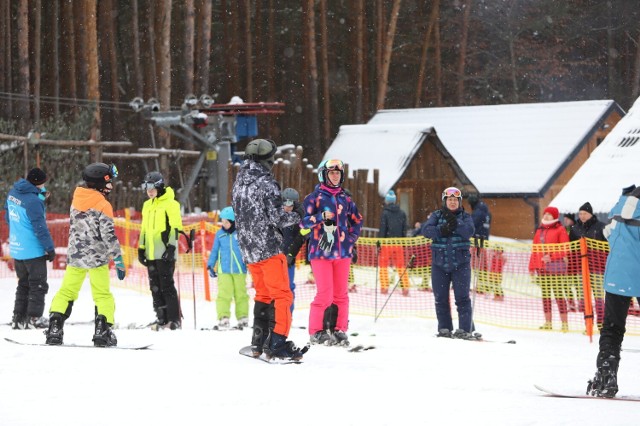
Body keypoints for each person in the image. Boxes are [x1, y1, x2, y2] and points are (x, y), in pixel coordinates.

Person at [232, 138, 307, 360]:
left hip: (248, 248)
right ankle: (277, 342)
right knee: (283, 295)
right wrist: (298, 215)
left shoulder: (239, 183)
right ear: (268, 159)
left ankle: (258, 341)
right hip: (268, 248)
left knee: (263, 293)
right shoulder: (266, 183)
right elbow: (277, 217)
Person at [45, 163, 125, 346]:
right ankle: (102, 331)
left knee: (67, 291)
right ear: (99, 184)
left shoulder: (77, 199)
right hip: (97, 259)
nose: (111, 187)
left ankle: (55, 327)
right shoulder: (103, 205)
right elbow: (108, 235)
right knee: (102, 294)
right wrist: (118, 258)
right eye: (108, 183)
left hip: (75, 257)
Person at [302, 159, 363, 346]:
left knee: (341, 294)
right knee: (325, 294)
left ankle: (339, 329)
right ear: (324, 175)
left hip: (342, 254)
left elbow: (357, 221)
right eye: (332, 173)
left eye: (338, 173)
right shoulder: (313, 198)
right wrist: (320, 217)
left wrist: (350, 240)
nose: (335, 176)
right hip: (321, 253)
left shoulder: (346, 199)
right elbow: (303, 223)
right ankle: (316, 331)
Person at [587, 186, 640, 398]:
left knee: (612, 329)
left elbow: (607, 233)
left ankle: (606, 378)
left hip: (618, 276)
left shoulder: (619, 207)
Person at [5, 168, 55, 329]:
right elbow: (40, 228)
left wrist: (41, 196)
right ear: (39, 183)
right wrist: (49, 248)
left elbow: (8, 217)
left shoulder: (14, 193)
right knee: (38, 285)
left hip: (17, 249)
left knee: (23, 284)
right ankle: (35, 318)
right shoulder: (33, 201)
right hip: (33, 251)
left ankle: (18, 317)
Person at [422, 187, 475, 338]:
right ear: (445, 201)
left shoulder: (465, 217)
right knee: (440, 298)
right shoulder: (436, 215)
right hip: (439, 263)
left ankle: (466, 329)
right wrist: (442, 229)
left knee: (462, 298)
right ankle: (444, 328)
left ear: (459, 202)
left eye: (455, 200)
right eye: (449, 200)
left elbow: (469, 231)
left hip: (461, 264)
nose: (452, 202)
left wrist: (455, 222)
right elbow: (426, 230)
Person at [137, 171, 184, 330]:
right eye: (146, 187)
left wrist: (171, 247)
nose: (149, 191)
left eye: (151, 187)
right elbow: (144, 229)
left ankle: (174, 319)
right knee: (154, 286)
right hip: (151, 253)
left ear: (159, 186)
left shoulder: (171, 204)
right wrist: (141, 248)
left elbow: (176, 227)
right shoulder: (147, 205)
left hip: (164, 252)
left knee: (166, 286)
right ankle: (161, 318)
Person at [528, 206, 570, 332]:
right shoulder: (539, 230)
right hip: (541, 268)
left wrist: (551, 256)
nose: (546, 216)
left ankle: (564, 323)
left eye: (549, 214)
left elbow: (565, 249)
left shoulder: (560, 229)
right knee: (545, 295)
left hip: (555, 268)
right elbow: (534, 250)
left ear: (555, 216)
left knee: (558, 294)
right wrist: (531, 266)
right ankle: (548, 322)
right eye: (545, 213)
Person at [206, 206, 249, 328]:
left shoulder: (241, 234)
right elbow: (214, 251)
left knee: (241, 294)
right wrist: (210, 265)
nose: (223, 224)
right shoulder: (220, 235)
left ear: (233, 222)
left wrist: (249, 263)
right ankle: (223, 316)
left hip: (239, 270)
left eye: (226, 222)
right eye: (222, 222)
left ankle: (243, 317)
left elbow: (246, 251)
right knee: (224, 294)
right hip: (224, 270)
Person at [568, 202, 607, 329]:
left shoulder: (601, 227)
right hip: (581, 268)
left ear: (591, 214)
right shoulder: (575, 229)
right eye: (580, 214)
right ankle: (588, 323)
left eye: (585, 213)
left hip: (597, 267)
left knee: (599, 297)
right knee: (584, 298)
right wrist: (572, 269)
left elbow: (607, 247)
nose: (582, 216)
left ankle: (601, 323)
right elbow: (572, 250)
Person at [280, 187, 310, 312]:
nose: (287, 207)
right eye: (285, 203)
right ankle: (274, 315)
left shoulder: (297, 218)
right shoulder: (276, 216)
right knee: (273, 287)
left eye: (290, 204)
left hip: (288, 258)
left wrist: (291, 253)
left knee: (288, 287)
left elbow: (303, 235)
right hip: (274, 257)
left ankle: (288, 313)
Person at [378, 189, 410, 296]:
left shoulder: (385, 213)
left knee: (383, 266)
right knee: (401, 266)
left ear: (387, 201)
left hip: (387, 244)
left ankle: (384, 287)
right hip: (399, 243)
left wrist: (379, 243)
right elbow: (404, 229)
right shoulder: (402, 213)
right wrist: (404, 243)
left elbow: (382, 229)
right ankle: (405, 288)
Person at [468, 194, 492, 295]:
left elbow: (471, 224)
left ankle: (481, 286)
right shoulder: (487, 212)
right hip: (484, 240)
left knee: (477, 263)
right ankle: (483, 285)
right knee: (482, 263)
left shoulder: (478, 212)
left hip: (477, 240)